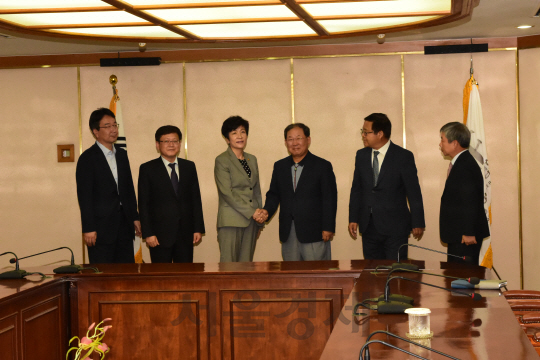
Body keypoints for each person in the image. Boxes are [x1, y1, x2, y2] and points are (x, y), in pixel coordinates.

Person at [255, 123, 337, 261]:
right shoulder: (280, 166)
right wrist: (266, 211)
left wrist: (328, 227)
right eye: (290, 139)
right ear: (286, 142)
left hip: (315, 232)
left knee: (317, 275)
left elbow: (329, 199)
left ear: (308, 140)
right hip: (288, 232)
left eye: (299, 138)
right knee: (292, 277)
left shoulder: (322, 166)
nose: (295, 143)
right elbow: (274, 194)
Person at [348, 113, 425, 260]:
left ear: (380, 133)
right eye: (362, 132)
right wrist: (353, 218)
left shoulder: (403, 156)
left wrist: (418, 221)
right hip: (369, 225)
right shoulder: (361, 155)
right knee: (372, 274)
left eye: (366, 132)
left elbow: (413, 191)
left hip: (395, 227)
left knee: (395, 272)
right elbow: (356, 189)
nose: (363, 135)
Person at [76, 107, 141, 264]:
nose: (113, 130)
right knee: (103, 277)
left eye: (115, 125)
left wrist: (135, 217)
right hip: (100, 229)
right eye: (108, 126)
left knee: (126, 275)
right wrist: (89, 227)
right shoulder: (87, 159)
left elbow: (128, 188)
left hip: (124, 227)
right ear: (96, 131)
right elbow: (85, 197)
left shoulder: (122, 154)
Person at [138, 125, 205, 263]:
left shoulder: (189, 167)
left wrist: (197, 228)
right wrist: (148, 233)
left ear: (180, 144)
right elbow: (144, 204)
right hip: (159, 235)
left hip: (186, 234)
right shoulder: (147, 169)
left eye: (174, 141)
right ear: (158, 145)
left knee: (185, 277)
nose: (171, 144)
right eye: (166, 141)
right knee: (161, 278)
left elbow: (195, 199)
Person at [439, 122, 490, 265]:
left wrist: (468, 232)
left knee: (462, 281)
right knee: (456, 279)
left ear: (454, 143)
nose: (440, 144)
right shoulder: (462, 162)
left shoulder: (465, 166)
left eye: (442, 140)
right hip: (458, 235)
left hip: (464, 237)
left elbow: (470, 201)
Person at [215, 116, 264, 262]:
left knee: (246, 266)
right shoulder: (222, 160)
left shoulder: (252, 159)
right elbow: (227, 193)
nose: (239, 136)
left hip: (251, 221)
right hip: (231, 220)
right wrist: (252, 212)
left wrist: (259, 217)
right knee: (229, 267)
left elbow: (256, 190)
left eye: (243, 132)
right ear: (227, 138)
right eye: (234, 132)